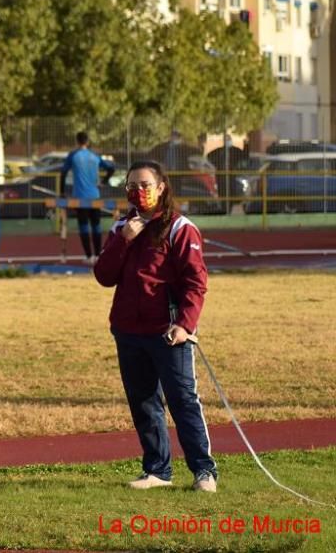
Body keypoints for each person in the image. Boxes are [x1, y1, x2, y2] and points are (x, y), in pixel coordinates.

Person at [93, 160, 217, 493]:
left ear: (161, 187)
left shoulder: (180, 228)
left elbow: (196, 283)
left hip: (168, 332)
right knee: (144, 401)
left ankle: (204, 471)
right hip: (129, 331)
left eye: (145, 185)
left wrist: (185, 324)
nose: (138, 192)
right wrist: (124, 241)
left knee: (183, 400)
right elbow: (104, 276)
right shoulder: (123, 228)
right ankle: (157, 469)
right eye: (131, 186)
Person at [60, 132, 115, 263]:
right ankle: (98, 255)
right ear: (88, 141)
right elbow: (111, 168)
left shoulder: (73, 155)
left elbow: (63, 173)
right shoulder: (94, 155)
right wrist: (104, 181)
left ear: (76, 141)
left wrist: (62, 192)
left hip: (80, 197)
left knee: (83, 225)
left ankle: (89, 256)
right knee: (96, 225)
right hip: (95, 195)